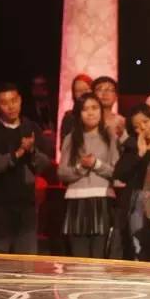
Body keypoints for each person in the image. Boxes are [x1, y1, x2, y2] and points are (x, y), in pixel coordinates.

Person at [0, 83, 51, 254]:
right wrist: (17, 154)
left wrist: (32, 151)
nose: (11, 107)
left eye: (14, 100)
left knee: (26, 256)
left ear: (20, 100)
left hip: (26, 203)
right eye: (4, 102)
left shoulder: (31, 127)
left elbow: (44, 163)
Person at [57, 93, 120, 258]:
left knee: (99, 256)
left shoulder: (110, 137)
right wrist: (81, 167)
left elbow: (117, 172)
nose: (90, 113)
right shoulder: (71, 138)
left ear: (101, 111)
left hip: (102, 198)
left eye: (94, 108)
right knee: (79, 258)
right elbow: (62, 173)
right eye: (85, 109)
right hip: (76, 200)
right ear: (78, 114)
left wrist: (96, 164)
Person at [113, 104, 150, 260]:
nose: (143, 128)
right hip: (139, 202)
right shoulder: (133, 146)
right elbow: (119, 174)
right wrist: (141, 154)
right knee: (140, 248)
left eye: (146, 121)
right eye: (137, 126)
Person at [92, 76, 128, 144]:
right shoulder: (87, 119)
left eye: (110, 90)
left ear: (116, 97)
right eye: (100, 89)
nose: (105, 93)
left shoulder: (122, 122)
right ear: (92, 95)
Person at [60, 74, 93, 146]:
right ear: (74, 94)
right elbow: (64, 146)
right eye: (78, 91)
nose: (83, 93)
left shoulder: (100, 115)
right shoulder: (69, 117)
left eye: (86, 89)